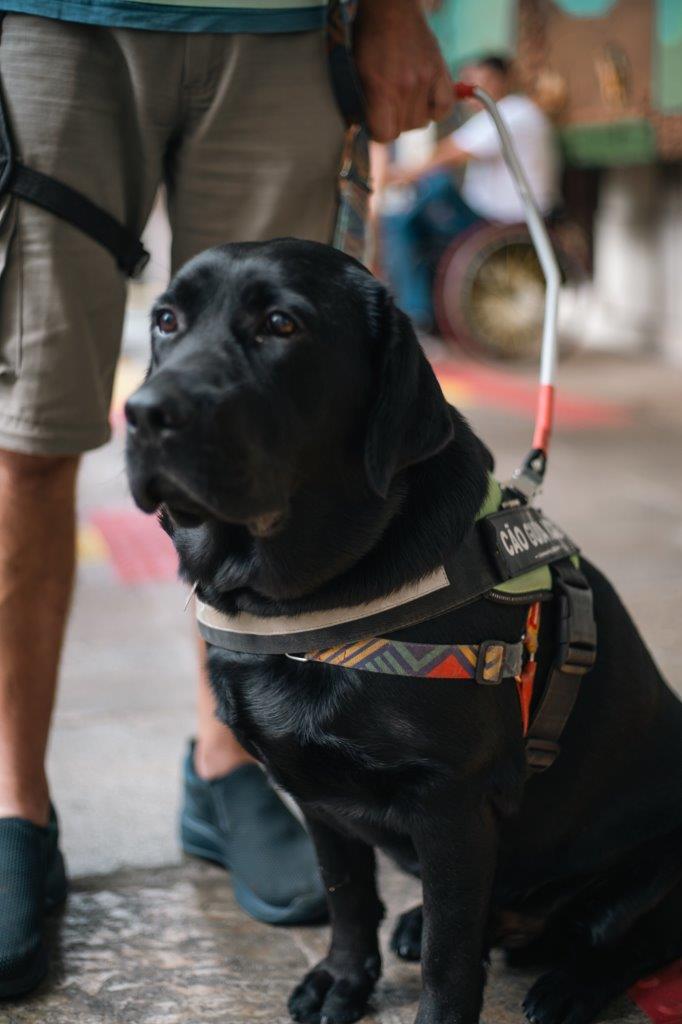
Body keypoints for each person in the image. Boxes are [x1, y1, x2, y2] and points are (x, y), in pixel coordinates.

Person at [0, 0, 454, 999]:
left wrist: (392, 10)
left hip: (280, 27)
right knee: (28, 433)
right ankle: (14, 803)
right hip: (46, 20)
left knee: (270, 419)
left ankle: (225, 762)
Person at [379, 55, 561, 328]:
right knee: (417, 212)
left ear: (503, 80)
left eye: (482, 80)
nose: (473, 88)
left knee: (420, 200)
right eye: (469, 81)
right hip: (496, 217)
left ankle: (416, 312)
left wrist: (399, 175)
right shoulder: (514, 112)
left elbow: (451, 151)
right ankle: (418, 308)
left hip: (503, 220)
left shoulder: (511, 111)